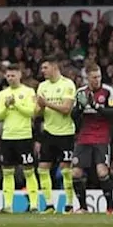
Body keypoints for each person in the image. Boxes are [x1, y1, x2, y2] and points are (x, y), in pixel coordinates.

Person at [0, 62, 40, 213]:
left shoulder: (28, 92)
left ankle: (34, 204)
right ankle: (8, 205)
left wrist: (17, 104)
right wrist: (7, 106)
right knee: (7, 172)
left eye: (13, 75)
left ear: (20, 75)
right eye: (8, 76)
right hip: (7, 137)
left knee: (29, 171)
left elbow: (31, 112)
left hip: (24, 136)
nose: (10, 78)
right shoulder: (2, 94)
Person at [34, 56, 77, 213]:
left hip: (65, 133)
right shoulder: (42, 86)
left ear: (54, 67)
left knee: (66, 169)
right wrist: (38, 107)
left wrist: (47, 104)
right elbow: (36, 112)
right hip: (49, 133)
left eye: (45, 68)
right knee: (42, 168)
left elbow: (67, 109)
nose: (42, 71)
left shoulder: (67, 84)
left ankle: (69, 205)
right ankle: (49, 205)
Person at [74, 63, 113, 214]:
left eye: (99, 76)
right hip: (84, 136)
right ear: (87, 78)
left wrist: (96, 106)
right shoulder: (80, 92)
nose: (97, 80)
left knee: (102, 172)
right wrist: (80, 107)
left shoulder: (107, 91)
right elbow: (74, 117)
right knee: (76, 173)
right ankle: (83, 207)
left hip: (101, 136)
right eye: (93, 77)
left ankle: (111, 208)